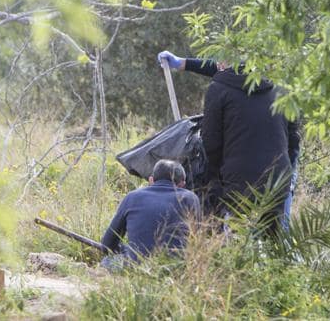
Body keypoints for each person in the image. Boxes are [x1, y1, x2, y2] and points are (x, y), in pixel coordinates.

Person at [157, 51, 301, 233]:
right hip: (278, 180)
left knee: (236, 242)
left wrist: (214, 180)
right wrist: (289, 174)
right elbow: (294, 139)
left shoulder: (219, 89)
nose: (215, 64)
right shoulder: (280, 87)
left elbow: (211, 143)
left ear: (224, 63)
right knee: (275, 243)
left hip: (237, 181)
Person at [101, 159, 201, 267]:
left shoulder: (132, 197)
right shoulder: (190, 198)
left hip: (136, 267)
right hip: (176, 268)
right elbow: (197, 241)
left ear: (151, 180)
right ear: (182, 184)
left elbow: (107, 244)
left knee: (107, 261)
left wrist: (127, 250)